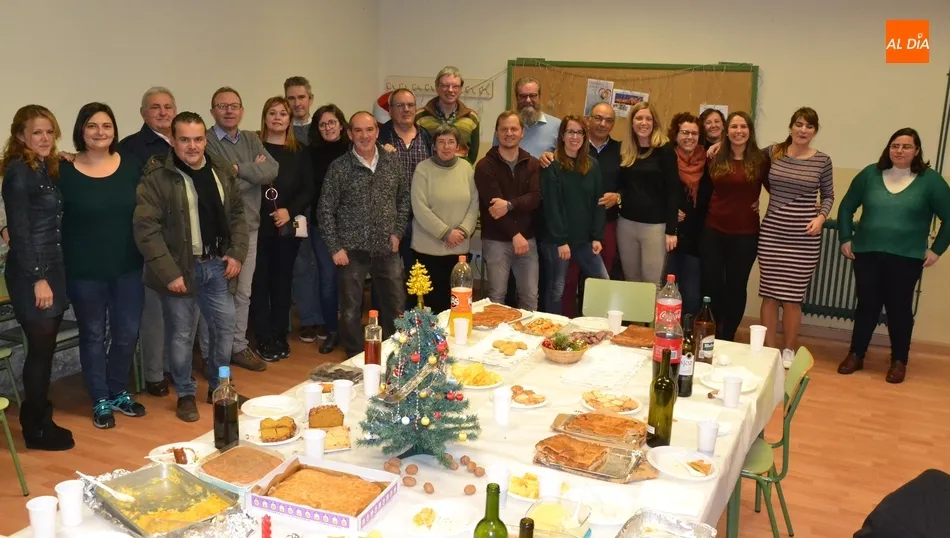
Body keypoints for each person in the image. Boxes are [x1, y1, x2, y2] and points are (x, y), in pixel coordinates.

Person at [133, 112, 249, 422]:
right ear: (172, 140)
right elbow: (147, 229)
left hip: (218, 267)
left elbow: (238, 215)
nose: (192, 146)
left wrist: (237, 252)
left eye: (198, 139)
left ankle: (219, 388)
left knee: (224, 329)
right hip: (181, 270)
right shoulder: (157, 177)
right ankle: (185, 393)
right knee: (182, 336)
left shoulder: (221, 171)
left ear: (205, 140)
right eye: (184, 139)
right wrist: (169, 273)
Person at [836, 128, 950, 384]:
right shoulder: (869, 174)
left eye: (906, 146)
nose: (900, 150)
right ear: (888, 148)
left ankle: (899, 361)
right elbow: (846, 207)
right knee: (866, 306)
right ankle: (856, 354)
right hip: (866, 253)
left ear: (917, 151)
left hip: (906, 257)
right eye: (895, 145)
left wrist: (937, 249)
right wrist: (845, 238)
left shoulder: (930, 181)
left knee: (899, 309)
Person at [60, 102, 146, 429]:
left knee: (127, 333)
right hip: (84, 271)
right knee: (93, 334)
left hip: (128, 266)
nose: (100, 132)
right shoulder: (62, 171)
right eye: (93, 125)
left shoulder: (132, 166)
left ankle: (118, 390)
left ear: (114, 130)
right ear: (81, 130)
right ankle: (99, 398)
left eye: (106, 126)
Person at [1, 105, 74, 450]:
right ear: (20, 137)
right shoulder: (19, 173)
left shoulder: (43, 168)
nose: (44, 139)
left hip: (52, 266)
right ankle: (35, 427)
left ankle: (40, 418)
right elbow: (19, 231)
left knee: (43, 350)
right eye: (37, 133)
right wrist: (37, 278)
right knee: (40, 352)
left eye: (49, 132)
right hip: (34, 271)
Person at [318, 111, 409, 358]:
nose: (364, 135)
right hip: (351, 250)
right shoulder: (339, 168)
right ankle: (355, 356)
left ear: (377, 132)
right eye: (358, 130)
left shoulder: (392, 163)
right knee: (349, 308)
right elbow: (325, 210)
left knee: (395, 303)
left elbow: (403, 199)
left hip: (386, 246)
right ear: (350, 134)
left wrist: (398, 232)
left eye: (369, 129)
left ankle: (395, 352)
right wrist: (335, 247)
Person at [201, 87, 276, 372]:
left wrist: (237, 169)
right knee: (217, 296)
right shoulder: (205, 141)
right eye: (222, 106)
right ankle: (212, 354)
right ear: (212, 111)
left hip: (251, 228)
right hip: (218, 232)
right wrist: (250, 172)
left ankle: (238, 347)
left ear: (242, 110)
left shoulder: (251, 138)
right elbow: (217, 177)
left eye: (234, 106)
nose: (229, 110)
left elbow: (272, 170)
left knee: (243, 293)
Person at [758, 107, 834, 368]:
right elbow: (742, 159)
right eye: (799, 124)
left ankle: (789, 348)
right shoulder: (773, 152)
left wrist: (821, 217)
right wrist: (716, 147)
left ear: (815, 131)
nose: (803, 130)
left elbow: (829, 196)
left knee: (792, 297)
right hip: (772, 234)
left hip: (803, 238)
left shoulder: (822, 161)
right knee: (769, 294)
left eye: (809, 126)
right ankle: (769, 349)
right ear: (790, 127)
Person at [118, 87, 177, 398]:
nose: (163, 112)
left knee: (179, 310)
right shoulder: (130, 147)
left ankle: (174, 366)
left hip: (182, 239)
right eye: (156, 107)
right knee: (153, 312)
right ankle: (155, 373)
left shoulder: (184, 141)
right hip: (152, 240)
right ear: (144, 113)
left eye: (168, 107)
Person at [250, 97, 314, 361]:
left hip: (285, 229)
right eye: (272, 113)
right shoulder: (254, 148)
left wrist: (289, 209)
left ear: (290, 120)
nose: (277, 118)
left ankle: (279, 335)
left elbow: (309, 188)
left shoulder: (300, 151)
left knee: (282, 284)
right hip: (257, 227)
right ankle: (262, 338)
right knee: (258, 284)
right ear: (265, 118)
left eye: (283, 114)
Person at [700, 111, 769, 341]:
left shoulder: (760, 160)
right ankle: (716, 330)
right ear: (726, 131)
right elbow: (703, 190)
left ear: (750, 131)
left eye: (743, 127)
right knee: (712, 284)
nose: (739, 131)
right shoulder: (715, 156)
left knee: (736, 286)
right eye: (734, 127)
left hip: (745, 234)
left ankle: (728, 334)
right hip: (714, 230)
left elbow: (776, 189)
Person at [538, 116, 608, 315]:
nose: (575, 137)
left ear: (585, 137)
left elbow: (598, 202)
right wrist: (560, 241)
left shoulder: (592, 165)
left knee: (603, 281)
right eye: (570, 132)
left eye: (579, 132)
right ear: (562, 135)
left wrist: (597, 237)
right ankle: (552, 329)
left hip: (584, 240)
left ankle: (599, 328)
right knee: (557, 288)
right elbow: (552, 206)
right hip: (557, 241)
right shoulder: (551, 165)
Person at [474, 111, 541, 311]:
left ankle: (528, 341)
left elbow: (535, 198)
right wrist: (515, 234)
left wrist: (510, 204)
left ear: (522, 133)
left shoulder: (532, 163)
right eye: (504, 129)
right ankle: (496, 342)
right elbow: (494, 209)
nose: (509, 133)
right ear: (497, 133)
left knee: (530, 297)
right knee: (497, 297)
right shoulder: (485, 166)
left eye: (514, 129)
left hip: (528, 241)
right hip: (496, 241)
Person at [410, 124, 478, 313]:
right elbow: (419, 207)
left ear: (458, 146)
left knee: (457, 303)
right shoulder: (423, 169)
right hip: (428, 251)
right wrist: (446, 233)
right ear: (434, 145)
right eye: (441, 142)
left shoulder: (466, 169)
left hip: (459, 249)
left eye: (451, 142)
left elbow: (474, 202)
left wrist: (462, 232)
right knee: (430, 306)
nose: (446, 147)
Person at [300, 104, 349, 353]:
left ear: (341, 124)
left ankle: (351, 331)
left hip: (353, 226)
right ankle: (332, 330)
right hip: (323, 226)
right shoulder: (310, 154)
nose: (328, 127)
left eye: (332, 122)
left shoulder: (355, 149)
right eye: (322, 124)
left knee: (353, 280)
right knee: (327, 280)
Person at [615, 102, 679, 288]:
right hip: (626, 224)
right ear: (632, 122)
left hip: (655, 227)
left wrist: (671, 231)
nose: (644, 122)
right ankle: (635, 319)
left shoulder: (665, 150)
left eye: (648, 118)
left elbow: (673, 190)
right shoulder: (627, 150)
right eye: (639, 118)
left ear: (655, 122)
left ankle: (650, 319)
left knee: (651, 284)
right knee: (631, 280)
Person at [379, 88, 433, 294]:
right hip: (388, 219)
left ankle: (415, 320)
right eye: (400, 105)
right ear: (390, 110)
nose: (406, 110)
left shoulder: (426, 138)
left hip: (419, 219)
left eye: (410, 105)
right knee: (385, 275)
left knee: (417, 276)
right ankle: (385, 320)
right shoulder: (379, 138)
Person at [666, 112, 708, 319]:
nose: (689, 137)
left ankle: (687, 338)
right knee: (669, 292)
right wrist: (670, 211)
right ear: (676, 134)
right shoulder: (666, 156)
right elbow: (654, 191)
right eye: (684, 132)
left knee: (692, 295)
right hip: (669, 234)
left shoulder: (708, 158)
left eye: (694, 133)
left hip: (696, 236)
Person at [415, 66, 480, 164]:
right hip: (429, 175)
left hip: (459, 176)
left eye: (455, 86)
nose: (450, 90)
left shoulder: (471, 118)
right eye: (445, 85)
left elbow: (473, 154)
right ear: (437, 87)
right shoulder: (420, 116)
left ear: (461, 89)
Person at [496, 77, 560, 158]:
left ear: (539, 97)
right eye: (523, 96)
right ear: (516, 98)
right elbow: (494, 157)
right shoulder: (505, 125)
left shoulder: (557, 125)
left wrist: (553, 156)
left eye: (533, 95)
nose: (528, 100)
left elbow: (563, 160)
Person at [284, 76, 313, 144]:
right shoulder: (280, 132)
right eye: (291, 98)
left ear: (310, 99)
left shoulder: (322, 129)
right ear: (285, 101)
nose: (297, 104)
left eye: (301, 97)